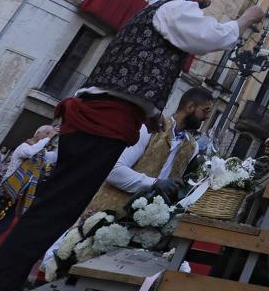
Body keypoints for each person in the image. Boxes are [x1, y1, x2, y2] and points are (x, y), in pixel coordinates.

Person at [0, 0, 262, 291]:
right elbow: (211, 37)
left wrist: (149, 111)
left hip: (101, 116)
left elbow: (135, 68)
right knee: (53, 214)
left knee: (53, 210)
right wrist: (245, 19)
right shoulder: (177, 7)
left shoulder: (155, 8)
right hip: (104, 121)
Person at [85, 86, 215, 214]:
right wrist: (154, 183)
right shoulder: (150, 128)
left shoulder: (193, 147)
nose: (207, 117)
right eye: (205, 111)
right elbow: (113, 170)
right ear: (190, 107)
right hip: (105, 214)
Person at [0, 128, 56, 240]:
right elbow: (30, 152)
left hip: (19, 195)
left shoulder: (41, 154)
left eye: (50, 134)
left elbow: (55, 157)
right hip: (5, 189)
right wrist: (48, 138)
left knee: (3, 226)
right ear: (37, 134)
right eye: (46, 133)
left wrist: (63, 138)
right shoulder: (25, 146)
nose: (48, 136)